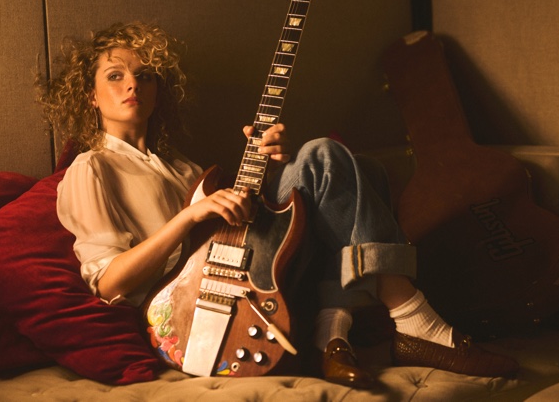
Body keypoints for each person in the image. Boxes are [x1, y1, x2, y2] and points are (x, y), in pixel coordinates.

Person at [39, 21, 519, 388]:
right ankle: (410, 316)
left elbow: (237, 231)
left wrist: (268, 165)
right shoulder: (91, 168)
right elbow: (107, 283)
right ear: (92, 96)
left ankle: (333, 331)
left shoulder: (183, 169)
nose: (132, 86)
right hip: (187, 315)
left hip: (244, 279)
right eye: (116, 76)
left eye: (144, 77)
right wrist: (189, 215)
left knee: (345, 165)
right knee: (324, 159)